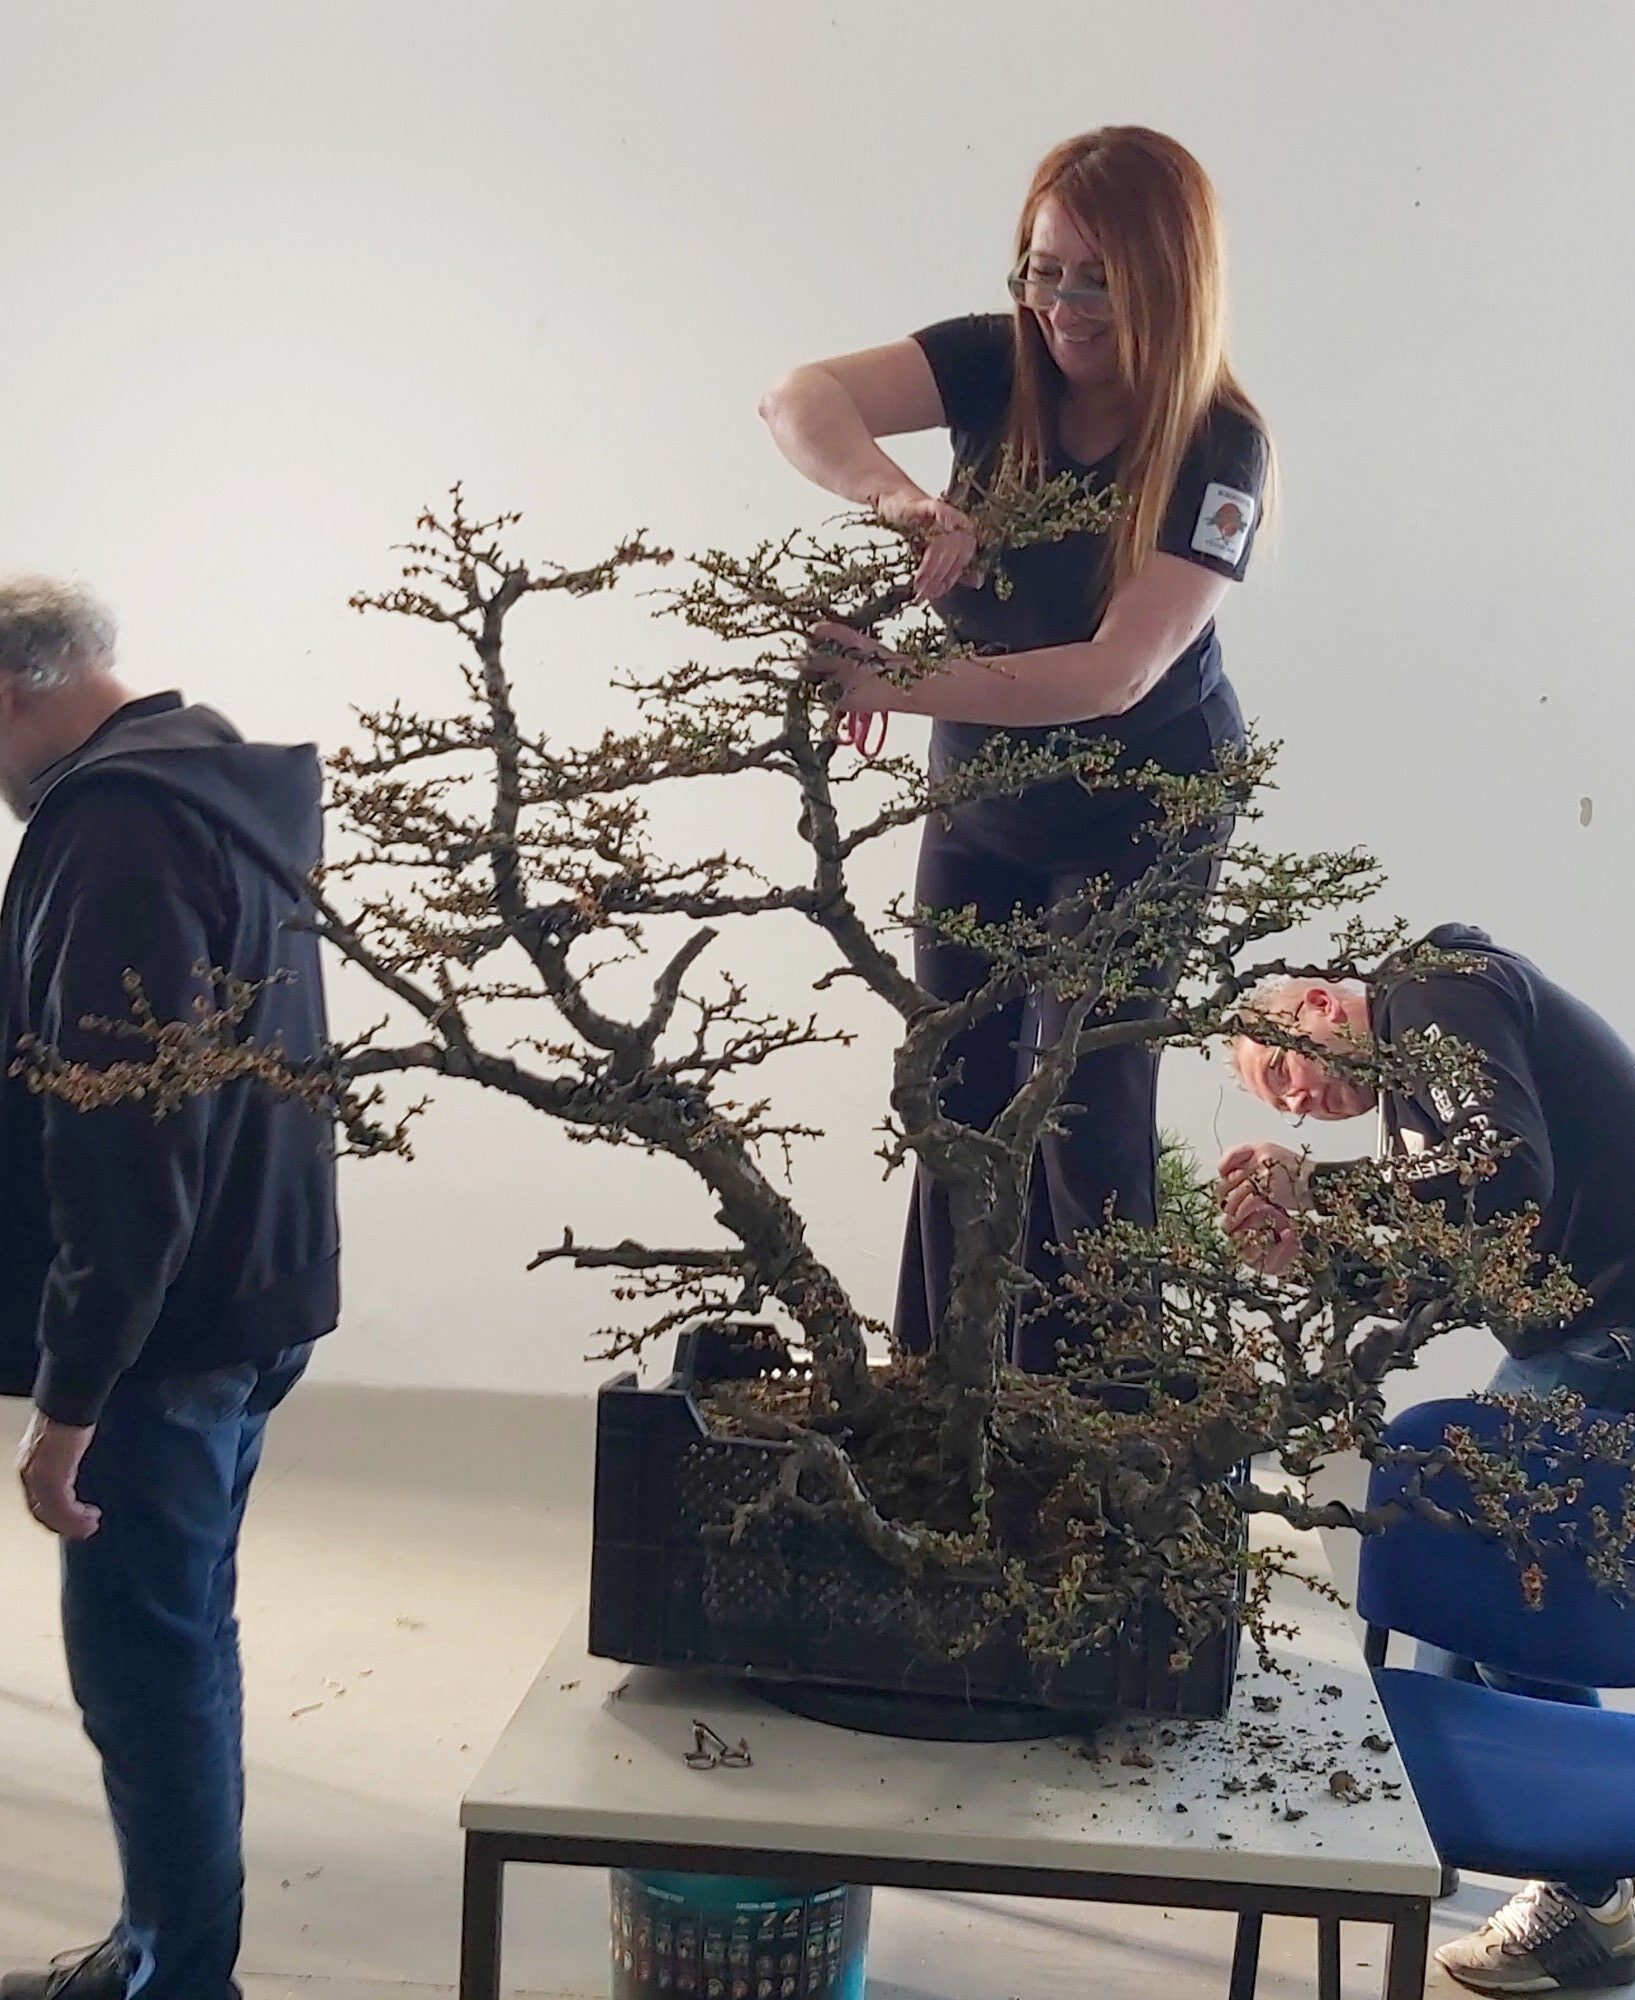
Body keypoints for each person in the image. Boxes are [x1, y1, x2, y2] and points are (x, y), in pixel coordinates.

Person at [761, 125, 1273, 1370]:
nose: (1063, 308)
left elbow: (1114, 671)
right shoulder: (998, 361)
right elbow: (799, 398)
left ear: (1170, 283)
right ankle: (948, 1394)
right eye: (1043, 272)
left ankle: (1099, 1418)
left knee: (1080, 1104)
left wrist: (900, 679)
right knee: (954, 1093)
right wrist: (903, 499)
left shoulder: (1221, 445)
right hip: (984, 791)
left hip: (1141, 803)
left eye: (1099, 281)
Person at [0, 580, 340, 2000]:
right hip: (253, 1282)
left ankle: (180, 1980)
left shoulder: (113, 831)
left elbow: (125, 1137)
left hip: (163, 1331)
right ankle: (167, 1949)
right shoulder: (214, 773)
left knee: (142, 1671)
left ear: (12, 690)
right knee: (183, 1633)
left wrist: (71, 1395)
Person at [1221, 922, 1635, 1993]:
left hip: (1614, 1317)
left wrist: (1319, 1188)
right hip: (1584, 1321)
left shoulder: (1432, 988)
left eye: (1283, 1069)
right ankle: (1438, 1840)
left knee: (1480, 1556)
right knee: (1458, 1566)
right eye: (1278, 1101)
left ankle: (1593, 1887)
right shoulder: (1422, 1076)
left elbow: (1504, 1176)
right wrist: (1316, 1251)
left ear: (1322, 1003)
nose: (1298, 1103)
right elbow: (1463, 1258)